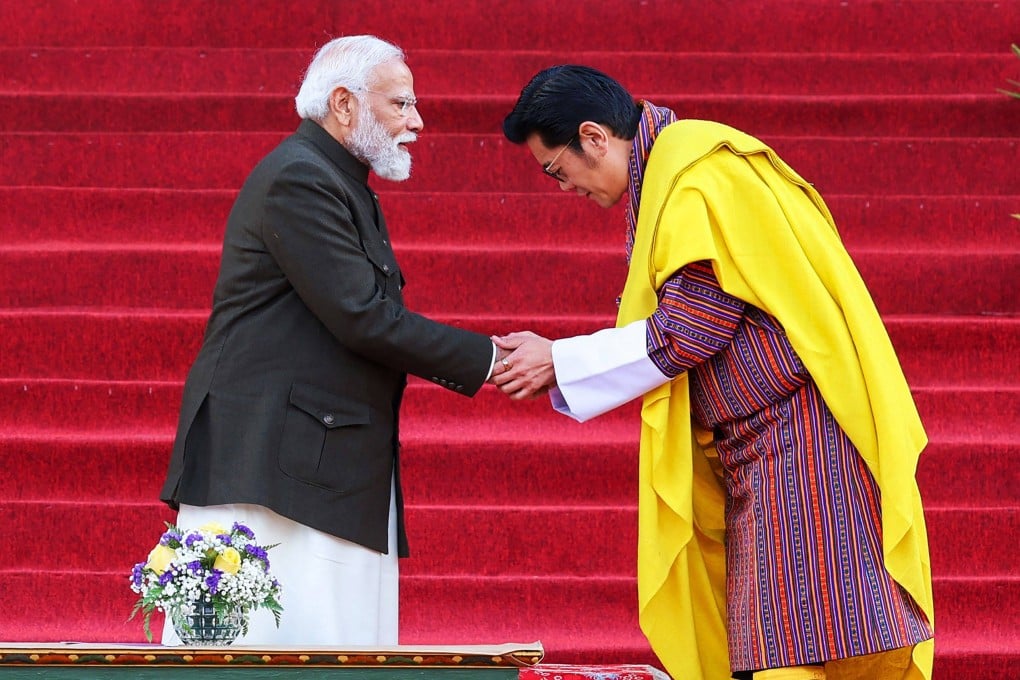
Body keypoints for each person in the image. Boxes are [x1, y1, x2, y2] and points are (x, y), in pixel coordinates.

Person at [491, 65, 934, 680]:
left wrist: (559, 359)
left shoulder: (697, 176)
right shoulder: (677, 170)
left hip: (796, 440)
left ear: (593, 137)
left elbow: (688, 330)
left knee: (796, 641)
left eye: (555, 170)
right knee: (791, 639)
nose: (563, 187)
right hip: (766, 443)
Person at [159, 35, 507, 646]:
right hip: (273, 471)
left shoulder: (336, 180)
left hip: (311, 463)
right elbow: (363, 317)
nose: (417, 122)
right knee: (289, 645)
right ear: (344, 104)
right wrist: (493, 359)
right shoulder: (301, 178)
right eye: (401, 104)